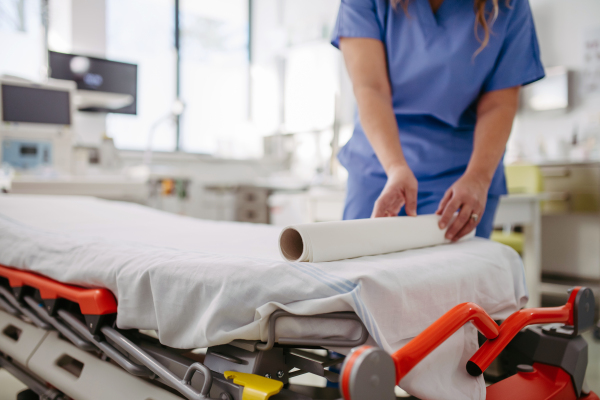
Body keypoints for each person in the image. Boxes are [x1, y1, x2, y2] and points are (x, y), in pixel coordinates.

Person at [331, 0, 545, 240]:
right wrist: (395, 166)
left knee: (452, 274)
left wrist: (478, 177)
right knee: (361, 267)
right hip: (379, 162)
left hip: (463, 170)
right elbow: (371, 88)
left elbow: (498, 104)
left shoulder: (509, 5)